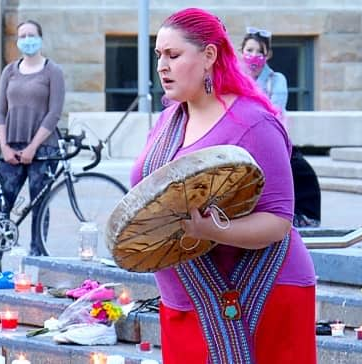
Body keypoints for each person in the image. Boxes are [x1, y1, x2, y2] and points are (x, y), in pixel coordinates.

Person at [131, 8, 316, 363]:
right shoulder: (170, 117)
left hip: (261, 293)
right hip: (185, 296)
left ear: (209, 56)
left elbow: (279, 221)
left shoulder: (253, 122)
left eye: (173, 55)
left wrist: (212, 229)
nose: (161, 66)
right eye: (159, 56)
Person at [0, 19, 65, 276]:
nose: (27, 39)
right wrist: (3, 145)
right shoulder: (10, 71)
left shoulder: (52, 71)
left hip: (43, 149)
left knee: (40, 207)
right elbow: (0, 111)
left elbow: (54, 113)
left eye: (31, 35)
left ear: (40, 38)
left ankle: (39, 261)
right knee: (3, 206)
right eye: (22, 35)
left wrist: (33, 147)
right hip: (11, 147)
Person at [240, 27, 321, 227]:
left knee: (301, 171)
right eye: (249, 50)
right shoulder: (237, 78)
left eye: (260, 51)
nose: (254, 56)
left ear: (268, 55)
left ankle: (304, 216)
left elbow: (274, 111)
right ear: (242, 51)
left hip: (271, 135)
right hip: (242, 136)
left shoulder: (276, 80)